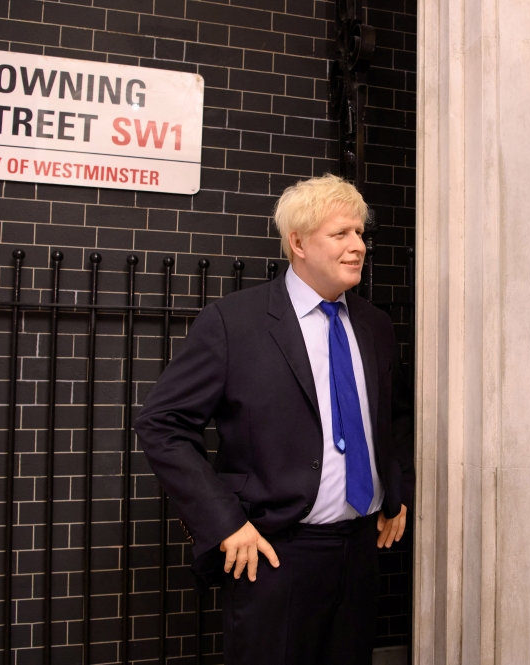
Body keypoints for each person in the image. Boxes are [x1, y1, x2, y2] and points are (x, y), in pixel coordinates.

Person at [134, 174, 415, 665]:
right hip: (276, 554)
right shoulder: (234, 322)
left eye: (360, 234)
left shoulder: (375, 324)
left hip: (360, 551)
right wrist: (225, 524)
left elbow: (395, 417)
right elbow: (162, 423)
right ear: (298, 243)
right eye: (342, 234)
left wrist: (397, 490)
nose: (358, 247)